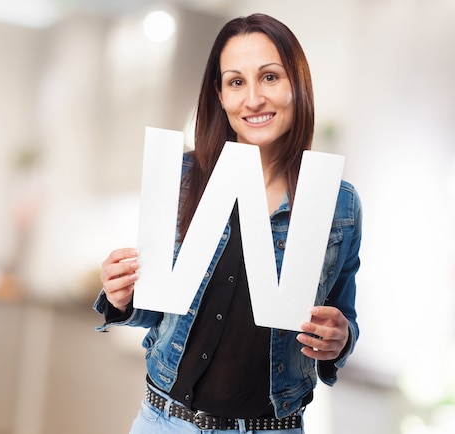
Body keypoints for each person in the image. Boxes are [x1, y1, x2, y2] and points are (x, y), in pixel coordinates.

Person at [94, 13, 362, 434]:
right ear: (219, 94)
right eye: (236, 82)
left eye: (270, 77)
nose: (253, 99)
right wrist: (121, 296)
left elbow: (341, 318)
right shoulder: (182, 180)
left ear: (297, 85)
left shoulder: (337, 204)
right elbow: (158, 307)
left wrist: (339, 339)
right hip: (165, 423)